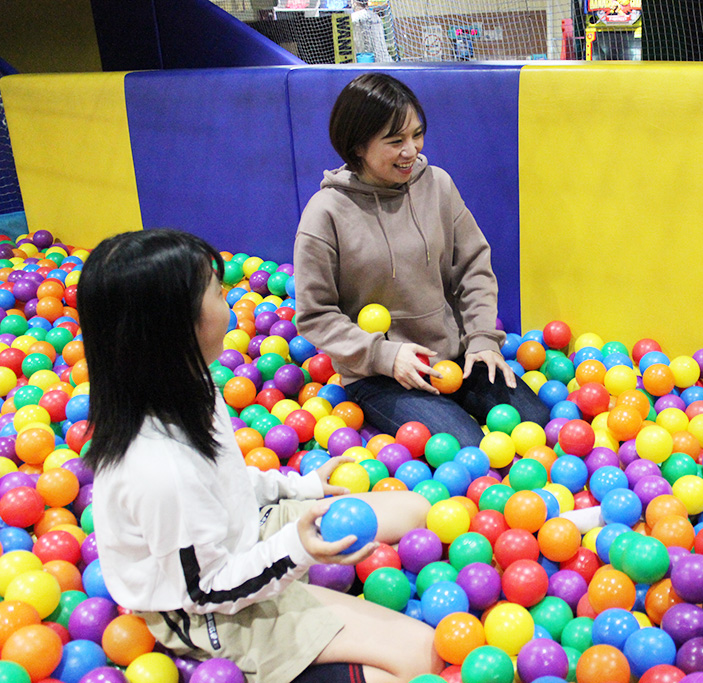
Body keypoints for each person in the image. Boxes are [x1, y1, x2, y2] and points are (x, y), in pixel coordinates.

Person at [79, 229, 441, 683]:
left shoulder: (190, 384)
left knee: (417, 509)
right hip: (209, 608)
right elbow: (203, 590)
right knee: (422, 658)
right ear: (176, 327)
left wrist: (298, 488)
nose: (230, 300)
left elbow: (224, 478)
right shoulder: (158, 470)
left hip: (245, 534)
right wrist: (296, 551)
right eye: (217, 292)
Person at [294, 72, 549, 448]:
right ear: (358, 146)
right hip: (380, 373)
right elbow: (315, 314)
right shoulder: (326, 213)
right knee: (462, 448)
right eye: (395, 141)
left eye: (417, 135)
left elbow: (474, 266)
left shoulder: (438, 185)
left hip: (455, 356)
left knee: (537, 422)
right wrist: (382, 354)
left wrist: (481, 339)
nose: (411, 150)